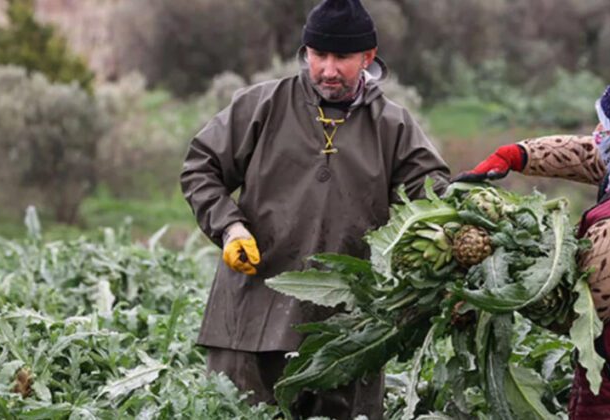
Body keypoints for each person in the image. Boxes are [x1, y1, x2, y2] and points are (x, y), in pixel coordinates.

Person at [179, 0, 451, 417]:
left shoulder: (392, 125)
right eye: (318, 55)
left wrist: (456, 221)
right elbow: (201, 168)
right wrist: (229, 227)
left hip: (346, 332)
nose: (327, 69)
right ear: (305, 52)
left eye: (342, 57)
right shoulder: (261, 106)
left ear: (368, 58)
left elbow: (433, 194)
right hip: (249, 317)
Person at [456, 69, 610, 419]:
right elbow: (591, 154)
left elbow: (572, 315)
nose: (597, 134)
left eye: (606, 127)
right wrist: (517, 156)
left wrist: (497, 269)